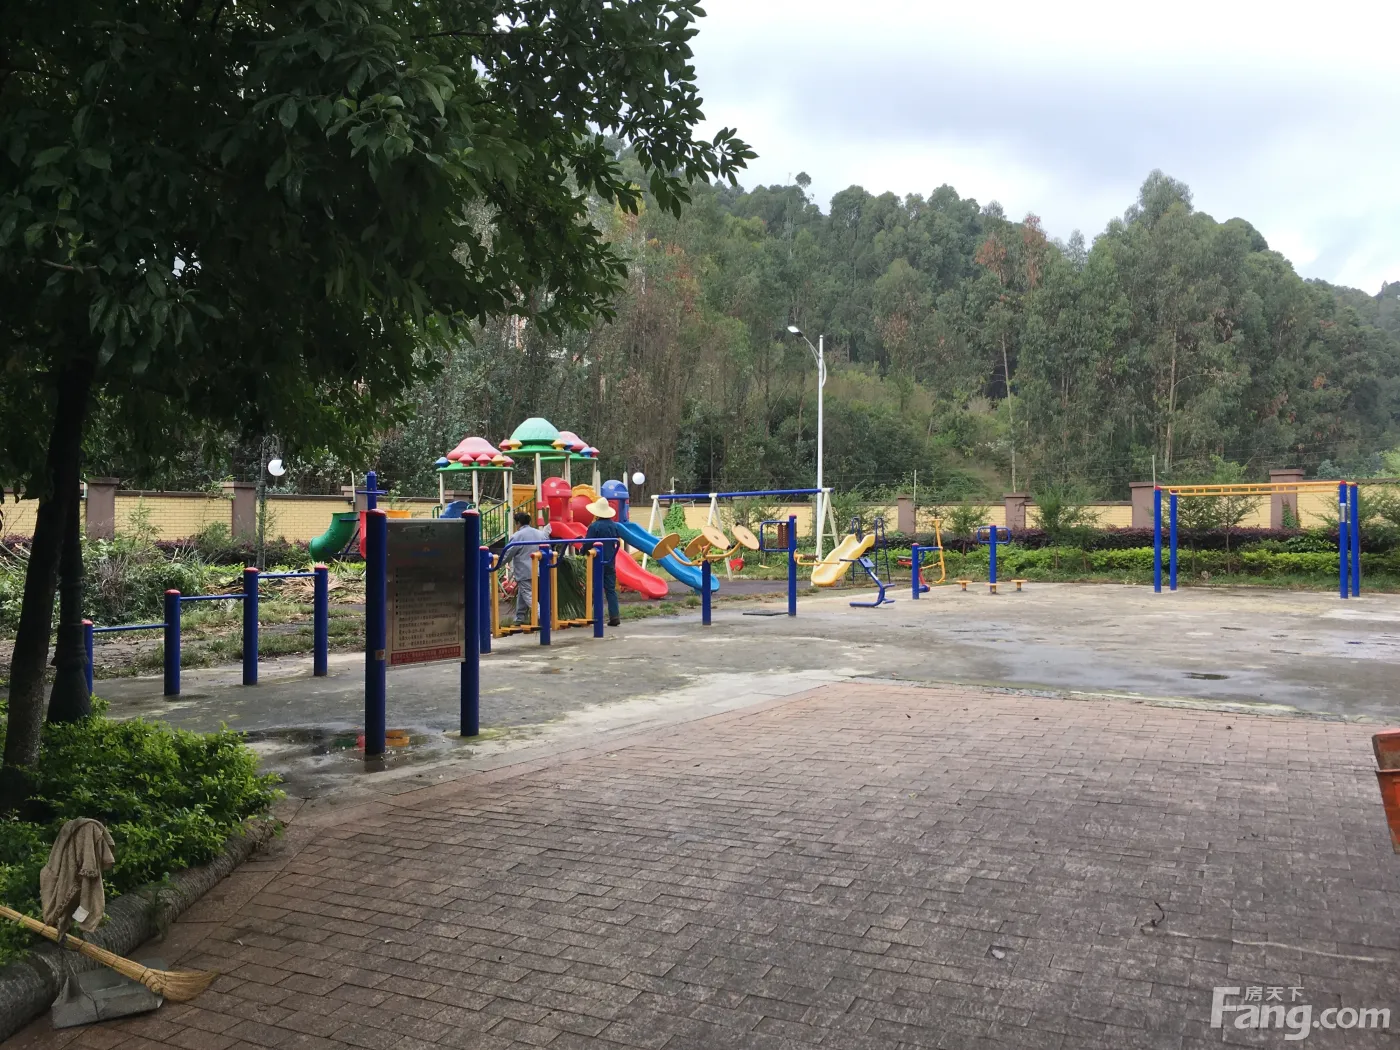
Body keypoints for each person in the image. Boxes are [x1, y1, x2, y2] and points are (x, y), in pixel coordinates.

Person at [583, 497, 626, 626]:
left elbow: (588, 543)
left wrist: (582, 552)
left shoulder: (594, 526)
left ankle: (591, 615)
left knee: (595, 588)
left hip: (596, 560)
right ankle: (614, 616)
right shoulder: (614, 525)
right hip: (610, 560)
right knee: (610, 589)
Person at [506, 511, 551, 625]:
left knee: (529, 595)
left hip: (524, 571)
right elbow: (548, 549)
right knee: (523, 594)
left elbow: (508, 554)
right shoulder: (540, 534)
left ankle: (542, 617)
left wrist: (496, 565)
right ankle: (519, 618)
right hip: (539, 570)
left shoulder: (517, 536)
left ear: (518, 523)